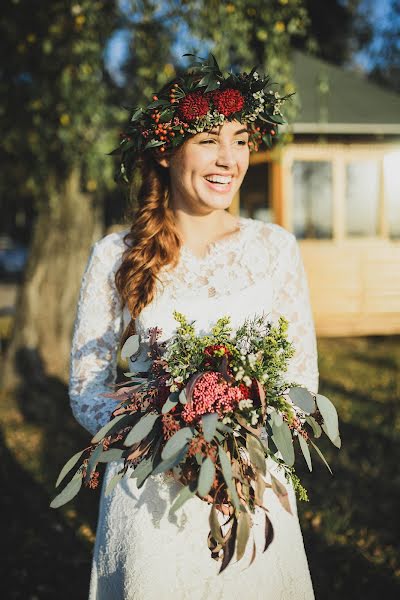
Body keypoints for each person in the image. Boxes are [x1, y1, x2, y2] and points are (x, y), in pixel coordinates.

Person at [69, 54, 319, 599]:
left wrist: (238, 445)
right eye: (209, 140)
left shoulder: (274, 249)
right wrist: (165, 434)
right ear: (165, 151)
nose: (229, 158)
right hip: (148, 493)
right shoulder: (117, 255)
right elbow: (87, 388)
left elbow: (301, 381)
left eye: (241, 140)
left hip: (252, 489)